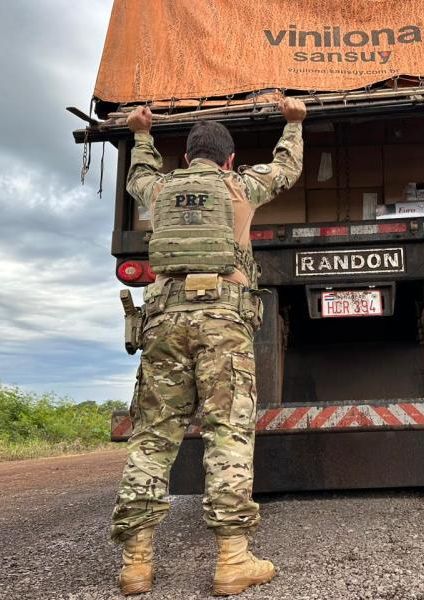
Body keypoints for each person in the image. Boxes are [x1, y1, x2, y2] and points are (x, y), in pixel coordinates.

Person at [110, 96, 306, 596]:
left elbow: (137, 176)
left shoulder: (159, 188)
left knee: (153, 438)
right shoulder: (240, 186)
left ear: (186, 159)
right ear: (229, 160)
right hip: (222, 322)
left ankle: (136, 563)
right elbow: (287, 169)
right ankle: (232, 559)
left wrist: (142, 134)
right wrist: (294, 124)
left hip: (165, 322)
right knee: (228, 433)